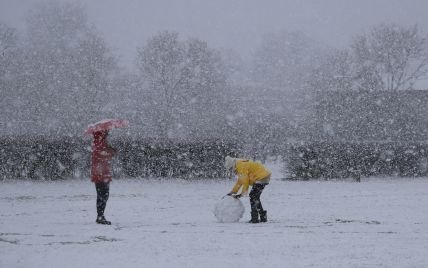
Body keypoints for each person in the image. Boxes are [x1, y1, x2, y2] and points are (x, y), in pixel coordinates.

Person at [225, 156, 271, 223]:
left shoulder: (240, 166)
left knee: (253, 196)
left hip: (261, 177)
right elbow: (240, 181)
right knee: (255, 197)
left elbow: (245, 180)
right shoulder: (240, 165)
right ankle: (262, 217)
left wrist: (242, 194)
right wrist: (232, 192)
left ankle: (255, 218)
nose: (231, 171)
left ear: (232, 165)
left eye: (231, 169)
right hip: (263, 177)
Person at [91, 130, 116, 225]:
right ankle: (100, 216)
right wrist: (110, 151)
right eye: (106, 134)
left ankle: (100, 216)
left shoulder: (99, 143)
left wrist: (110, 149)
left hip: (102, 172)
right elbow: (102, 155)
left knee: (103, 195)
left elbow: (103, 154)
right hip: (100, 173)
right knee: (103, 195)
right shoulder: (98, 143)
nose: (107, 135)